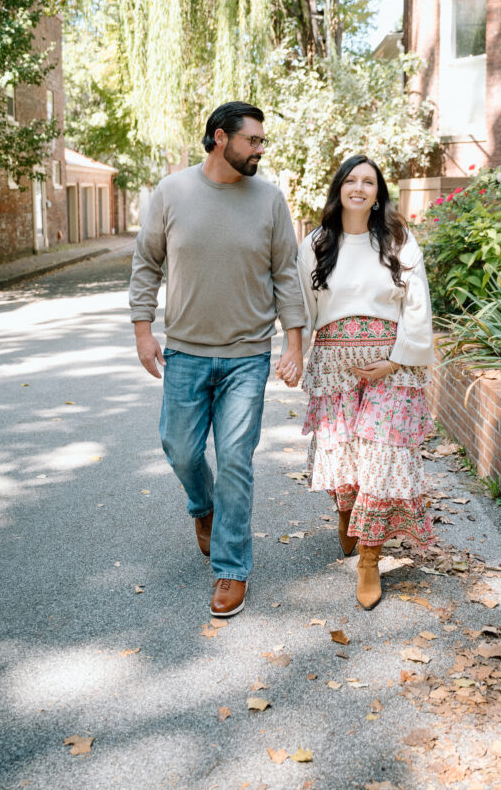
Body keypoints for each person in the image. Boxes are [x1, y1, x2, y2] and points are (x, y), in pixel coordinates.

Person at [129, 101, 305, 618]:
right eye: (252, 140)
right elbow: (147, 264)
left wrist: (294, 343)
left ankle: (231, 569)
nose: (260, 149)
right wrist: (144, 332)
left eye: (261, 141)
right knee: (180, 449)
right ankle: (201, 508)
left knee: (234, 459)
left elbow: (287, 276)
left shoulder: (270, 200)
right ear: (220, 137)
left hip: (248, 355)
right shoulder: (172, 192)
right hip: (185, 350)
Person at [296, 154, 436, 610]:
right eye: (351, 180)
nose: (359, 187)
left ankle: (370, 561)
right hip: (335, 367)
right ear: (339, 188)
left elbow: (418, 304)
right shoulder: (316, 244)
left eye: (369, 182)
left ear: (379, 194)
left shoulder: (398, 240)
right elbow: (300, 307)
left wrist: (396, 360)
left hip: (390, 369)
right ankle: (345, 512)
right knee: (346, 461)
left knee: (381, 460)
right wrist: (294, 350)